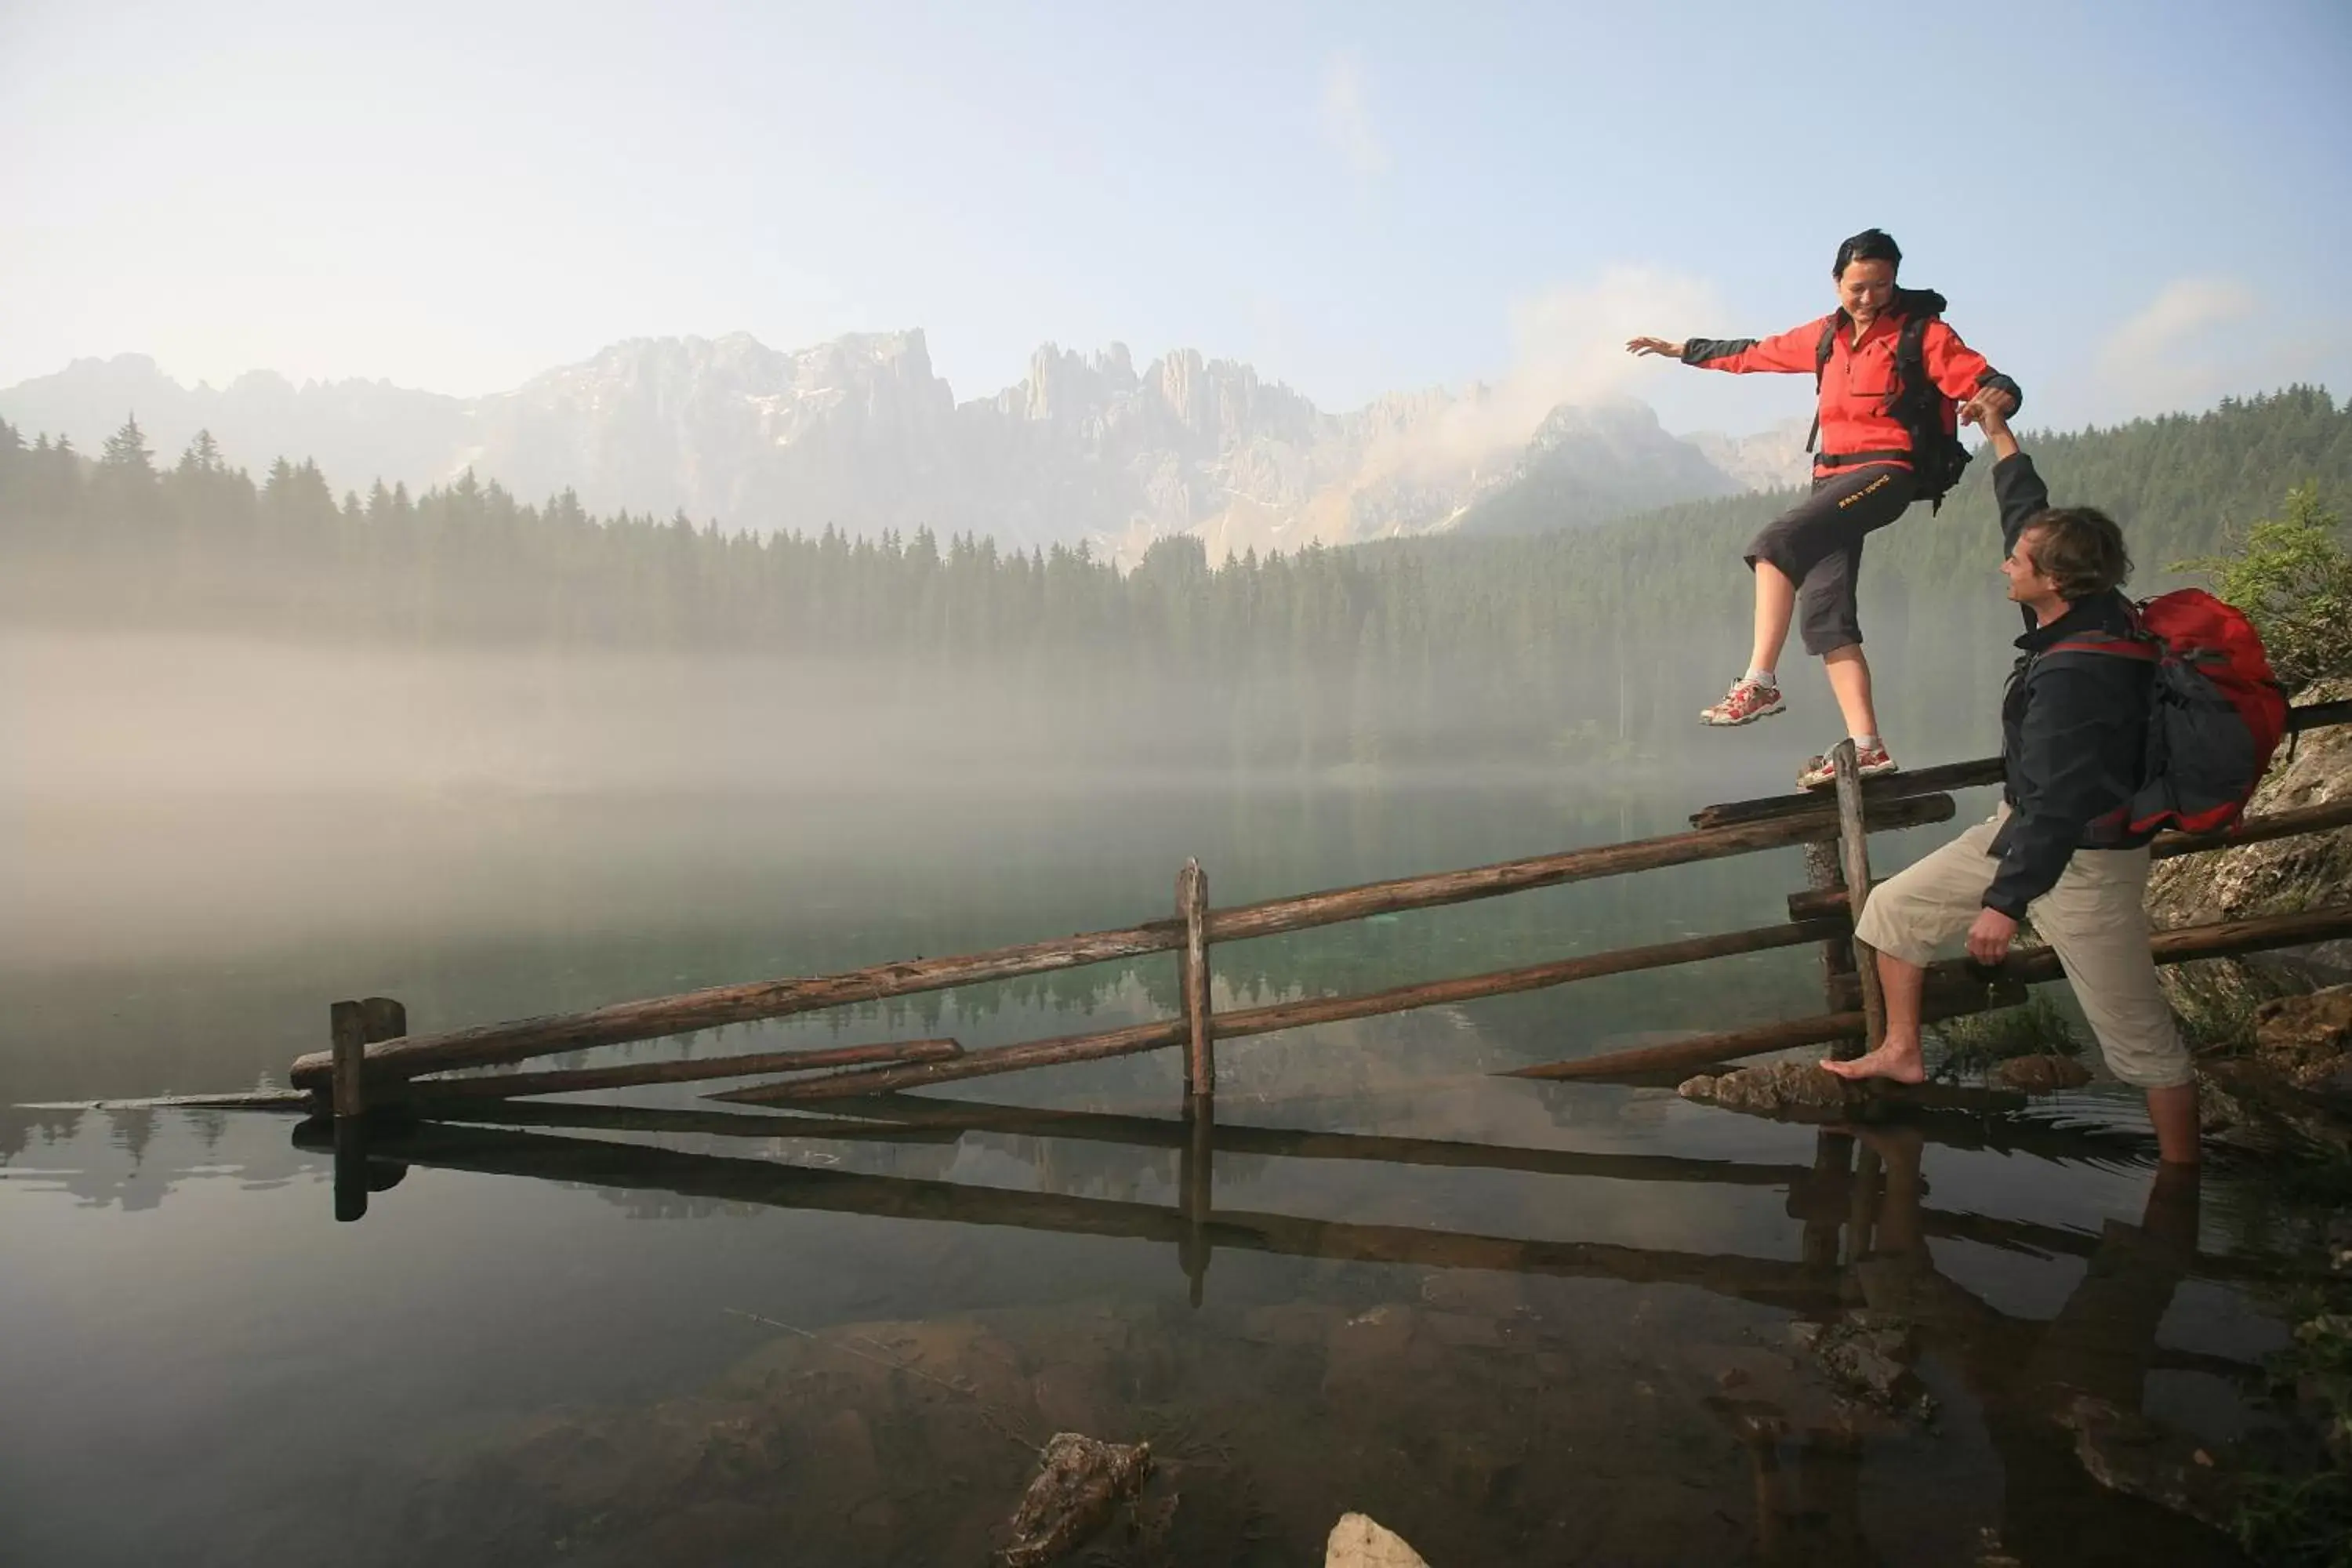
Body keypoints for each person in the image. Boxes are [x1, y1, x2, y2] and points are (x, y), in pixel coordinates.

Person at [1820, 395, 2199, 1167]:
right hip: (2021, 832)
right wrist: (1997, 435)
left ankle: (2183, 1181)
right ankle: (1902, 1049)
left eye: (2017, 562)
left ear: (2053, 579)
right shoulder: (2090, 613)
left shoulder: (2078, 673)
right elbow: (2029, 512)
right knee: (1893, 911)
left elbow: (2063, 802)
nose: (2004, 563)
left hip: (2083, 861)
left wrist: (2004, 904)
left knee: (2139, 1040)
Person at [1627, 228, 2022, 787]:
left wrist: (1997, 393)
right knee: (1826, 617)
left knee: (1774, 545)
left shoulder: (1922, 333)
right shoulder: (1824, 338)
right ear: (1837, 282)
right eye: (1858, 286)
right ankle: (1869, 749)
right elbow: (1753, 353)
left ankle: (1758, 681)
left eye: (1881, 286)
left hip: (1886, 473)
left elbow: (1982, 377)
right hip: (1830, 481)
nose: (1868, 297)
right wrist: (1683, 350)